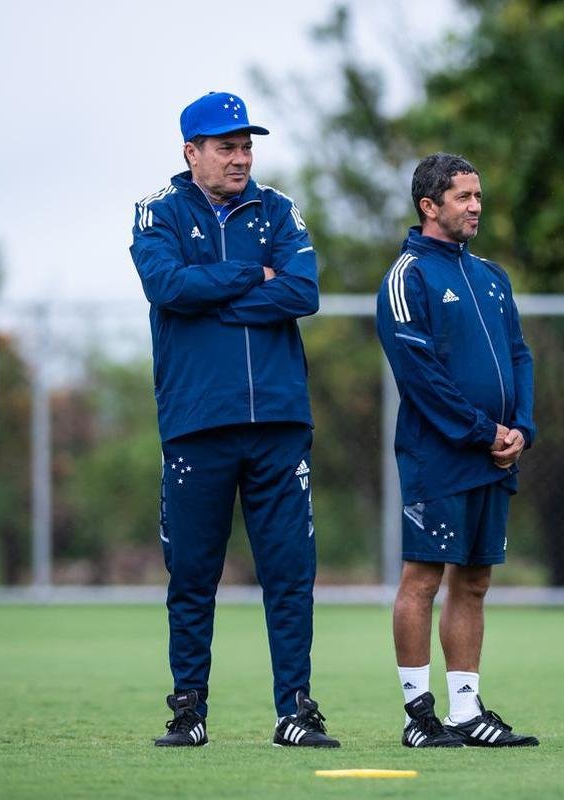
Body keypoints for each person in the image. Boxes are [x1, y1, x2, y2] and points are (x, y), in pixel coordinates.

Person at [130, 91, 338, 749]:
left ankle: (294, 712)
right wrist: (252, 275)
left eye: (246, 144)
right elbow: (167, 288)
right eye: (226, 146)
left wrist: (213, 293)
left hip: (279, 423)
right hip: (197, 425)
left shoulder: (278, 209)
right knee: (192, 577)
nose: (240, 157)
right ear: (191, 151)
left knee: (289, 575)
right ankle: (189, 712)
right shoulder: (156, 212)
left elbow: (302, 292)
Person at [375, 153, 540, 749]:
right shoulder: (408, 276)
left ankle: (467, 713)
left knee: (473, 583)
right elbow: (418, 375)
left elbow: (519, 354)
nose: (475, 207)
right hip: (439, 456)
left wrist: (520, 427)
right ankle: (419, 717)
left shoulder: (492, 275)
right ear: (429, 205)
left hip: (496, 454)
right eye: (464, 197)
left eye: (478, 196)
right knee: (422, 579)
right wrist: (481, 431)